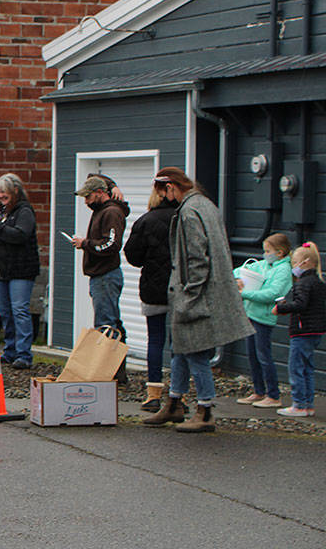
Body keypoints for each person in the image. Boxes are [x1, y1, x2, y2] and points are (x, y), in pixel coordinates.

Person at [144, 167, 252, 432]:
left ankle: (204, 411)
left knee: (195, 353)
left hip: (196, 295)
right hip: (207, 293)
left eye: (164, 192)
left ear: (171, 187)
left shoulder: (189, 211)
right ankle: (174, 403)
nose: (165, 198)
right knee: (181, 349)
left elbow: (197, 257)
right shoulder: (205, 205)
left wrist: (188, 295)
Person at [123, 184, 178, 411]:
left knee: (155, 340)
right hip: (181, 288)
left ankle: (153, 394)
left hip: (153, 288)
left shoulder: (146, 220)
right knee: (179, 343)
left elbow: (132, 255)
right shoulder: (183, 218)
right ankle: (177, 393)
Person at [0, 172, 40, 369]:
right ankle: (10, 350)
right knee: (5, 312)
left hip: (21, 271)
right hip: (0, 272)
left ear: (15, 190)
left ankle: (24, 354)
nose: (1, 195)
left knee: (19, 310)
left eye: (4, 192)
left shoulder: (24, 212)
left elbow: (20, 235)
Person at [233, 232, 293, 409]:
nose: (265, 254)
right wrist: (238, 278)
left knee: (263, 356)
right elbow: (241, 270)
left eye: (268, 251)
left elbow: (273, 294)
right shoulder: (267, 264)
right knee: (253, 355)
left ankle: (273, 395)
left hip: (264, 318)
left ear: (280, 252)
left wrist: (245, 294)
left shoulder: (283, 270)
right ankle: (259, 391)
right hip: (251, 314)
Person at [71, 175, 130, 341]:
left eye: (88, 196)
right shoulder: (101, 211)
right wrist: (113, 185)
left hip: (106, 276)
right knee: (112, 322)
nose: (86, 202)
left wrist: (85, 244)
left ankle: (107, 364)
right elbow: (92, 176)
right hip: (102, 276)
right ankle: (116, 364)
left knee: (105, 325)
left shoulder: (111, 212)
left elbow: (111, 245)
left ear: (99, 192)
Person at [273, 241, 326, 418]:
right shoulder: (318, 281)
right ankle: (308, 404)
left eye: (295, 263)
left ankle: (299, 404)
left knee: (296, 368)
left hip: (303, 331)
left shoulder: (303, 283)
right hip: (316, 331)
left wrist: (281, 308)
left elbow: (300, 304)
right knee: (308, 368)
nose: (293, 266)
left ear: (304, 263)